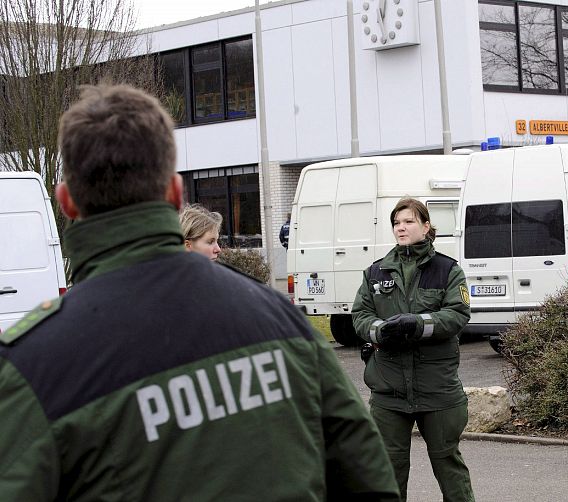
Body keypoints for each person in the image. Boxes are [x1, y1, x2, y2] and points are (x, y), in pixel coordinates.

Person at [0, 84, 400, 501]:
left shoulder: (32, 365)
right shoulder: (276, 317)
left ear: (66, 203)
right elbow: (369, 479)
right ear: (175, 193)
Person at [352, 198, 475, 502]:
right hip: (389, 390)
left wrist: (418, 324)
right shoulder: (376, 272)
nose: (401, 227)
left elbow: (457, 315)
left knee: (448, 464)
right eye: (396, 222)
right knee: (387, 470)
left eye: (408, 221)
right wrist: (379, 330)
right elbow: (360, 316)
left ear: (426, 226)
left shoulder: (447, 269)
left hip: (437, 390)